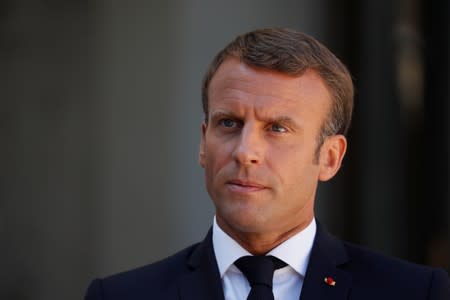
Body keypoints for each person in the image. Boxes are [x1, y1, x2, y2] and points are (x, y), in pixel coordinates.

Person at [85, 28, 449, 300]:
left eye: (277, 128)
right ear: (202, 142)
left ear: (330, 157)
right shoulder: (119, 296)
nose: (245, 152)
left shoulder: (416, 292)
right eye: (228, 123)